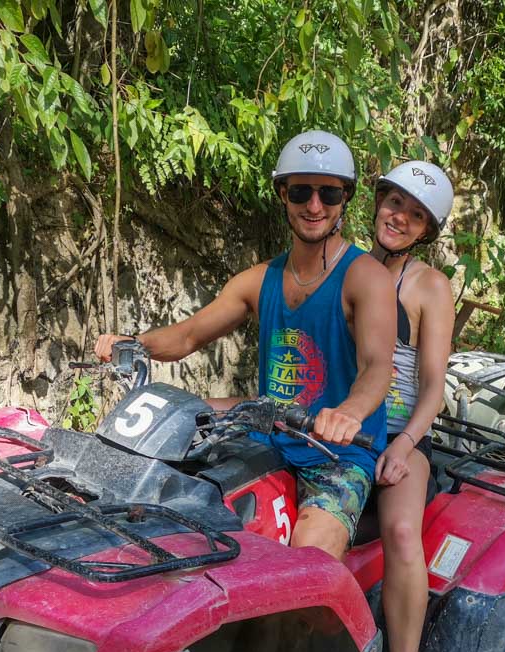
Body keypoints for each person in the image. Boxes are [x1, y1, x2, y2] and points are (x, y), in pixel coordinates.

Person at [95, 130, 396, 560]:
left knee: (304, 568)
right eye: (301, 191)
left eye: (328, 193)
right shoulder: (259, 280)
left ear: (345, 198)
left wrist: (349, 413)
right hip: (265, 432)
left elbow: (376, 366)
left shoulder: (366, 277)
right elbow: (187, 335)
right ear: (282, 194)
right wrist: (135, 343)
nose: (314, 206)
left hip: (336, 455)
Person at [368, 160, 455, 652]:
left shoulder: (429, 286)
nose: (397, 216)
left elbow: (433, 387)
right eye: (393, 201)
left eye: (413, 212)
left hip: (401, 432)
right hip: (335, 425)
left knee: (402, 533)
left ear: (425, 228)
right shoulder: (344, 266)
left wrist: (404, 443)